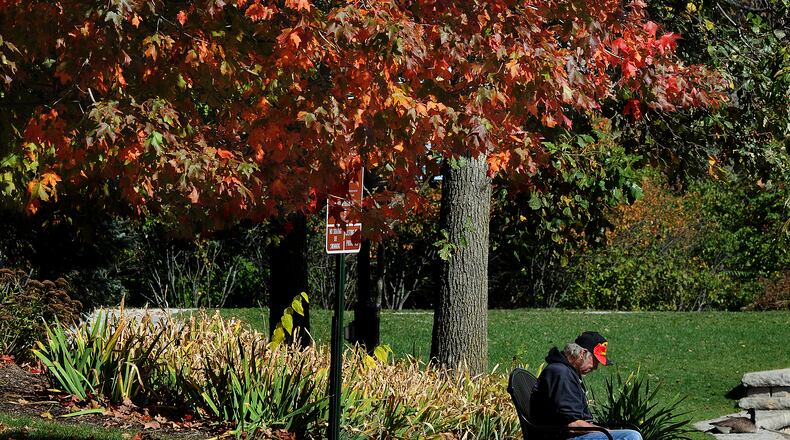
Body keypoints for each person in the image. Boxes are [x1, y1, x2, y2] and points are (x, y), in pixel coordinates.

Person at [530, 331, 642, 440]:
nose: (596, 367)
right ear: (583, 353)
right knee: (630, 436)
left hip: (567, 434)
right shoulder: (561, 374)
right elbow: (572, 425)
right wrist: (607, 432)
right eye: (595, 360)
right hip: (561, 436)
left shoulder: (565, 372)